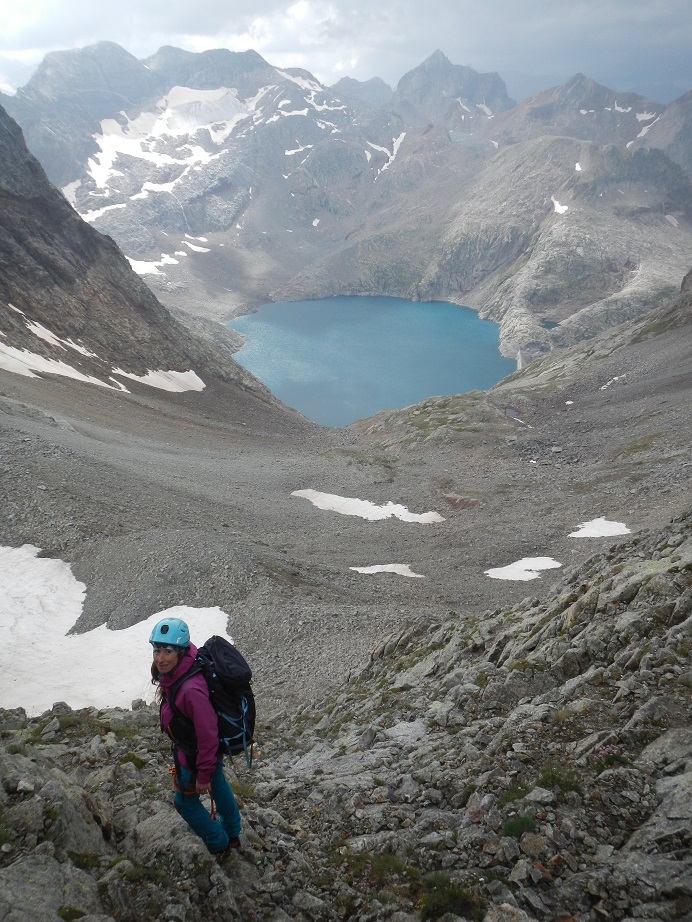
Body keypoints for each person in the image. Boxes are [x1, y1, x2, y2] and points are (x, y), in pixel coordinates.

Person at [150, 616, 242, 856]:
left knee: (185, 803)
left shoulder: (190, 690)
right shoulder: (182, 669)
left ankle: (219, 843)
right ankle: (233, 833)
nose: (160, 658)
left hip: (195, 754)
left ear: (180, 652)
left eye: (167, 651)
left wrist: (202, 774)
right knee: (218, 784)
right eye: (157, 650)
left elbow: (208, 734)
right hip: (201, 753)